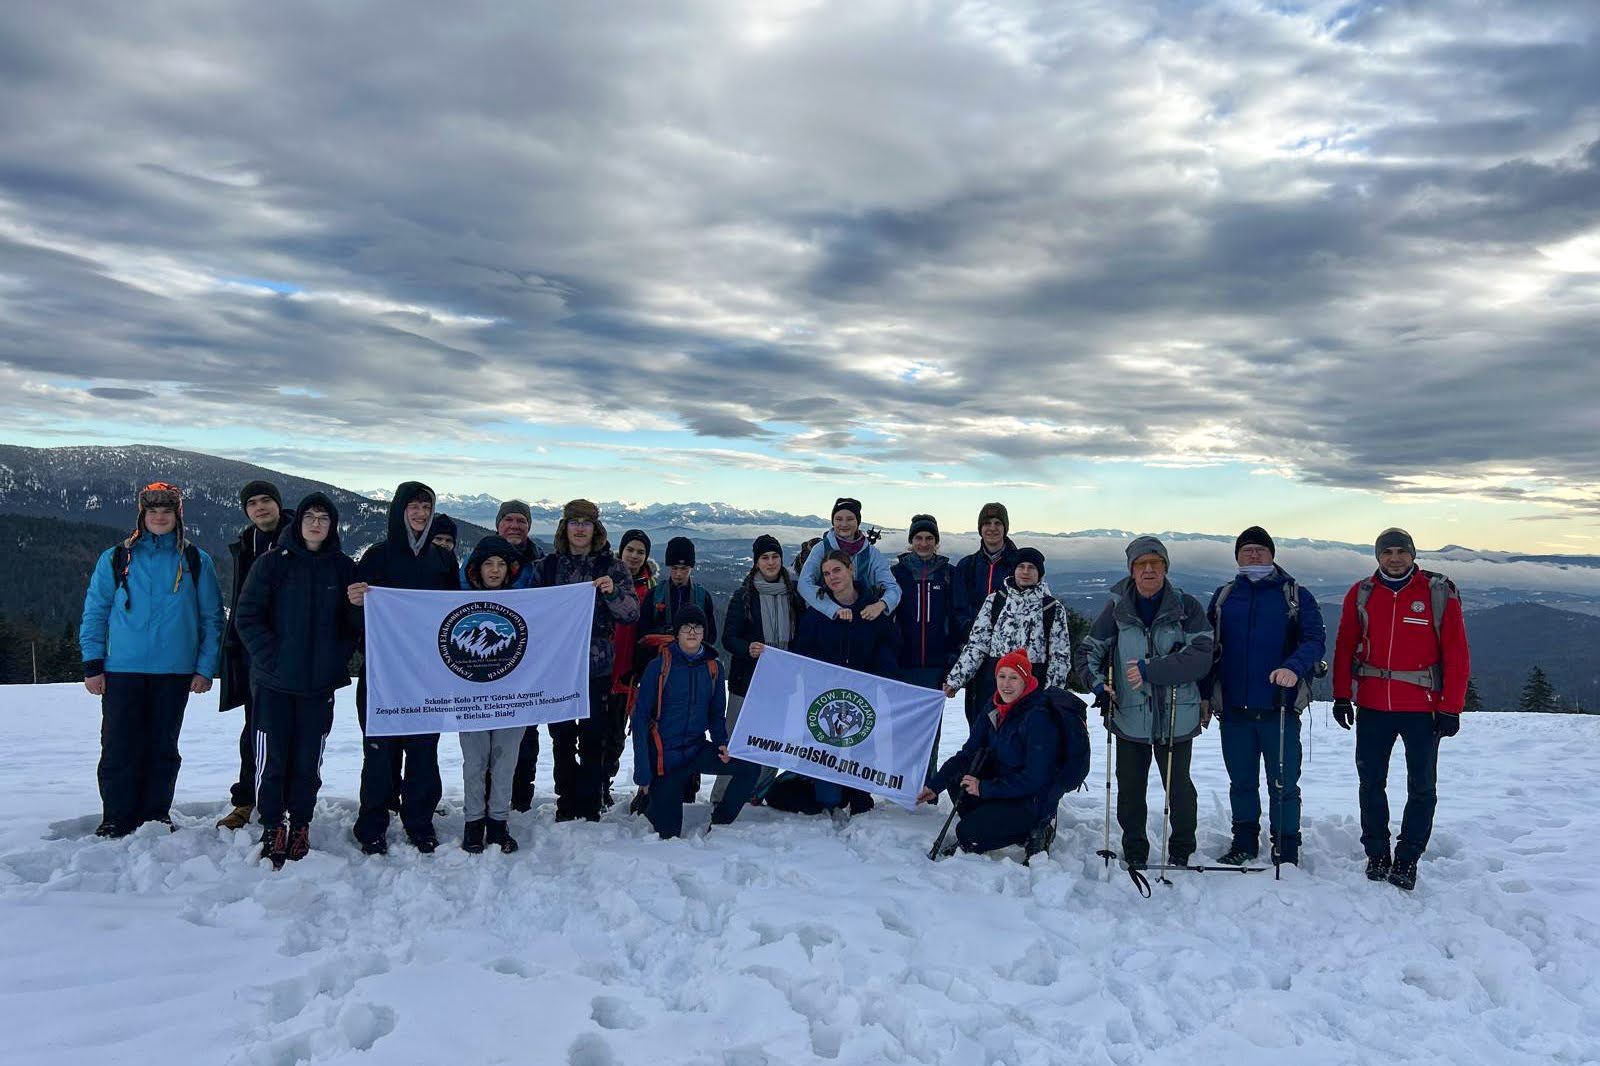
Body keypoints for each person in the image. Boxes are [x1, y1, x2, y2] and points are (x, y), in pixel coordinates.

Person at [80, 482, 225, 837]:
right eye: (153, 511)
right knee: (118, 746)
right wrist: (93, 665)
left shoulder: (195, 560)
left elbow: (212, 618)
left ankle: (155, 814)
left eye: (167, 511)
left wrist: (205, 668)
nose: (160, 517)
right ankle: (116, 815)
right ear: (142, 516)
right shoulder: (117, 558)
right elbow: (95, 612)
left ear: (178, 516)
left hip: (174, 671)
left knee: (162, 747)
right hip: (122, 669)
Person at [1332, 528, 1470, 891]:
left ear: (1413, 555)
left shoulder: (1437, 593)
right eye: (1387, 552)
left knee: (1422, 786)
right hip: (1373, 704)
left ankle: (1408, 858)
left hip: (1422, 707)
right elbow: (1345, 645)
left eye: (1401, 552)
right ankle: (1377, 854)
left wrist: (1452, 706)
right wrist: (1342, 695)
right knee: (1371, 782)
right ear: (1378, 556)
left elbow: (1456, 653)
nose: (1395, 559)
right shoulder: (1362, 593)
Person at [1072, 535, 1213, 869]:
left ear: (1165, 568)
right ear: (1132, 570)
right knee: (1130, 789)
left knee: (1179, 788)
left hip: (1177, 713)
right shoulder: (1117, 608)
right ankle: (1134, 849)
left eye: (1156, 563)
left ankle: (1182, 848)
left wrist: (1152, 670)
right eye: (1141, 564)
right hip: (1129, 713)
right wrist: (1097, 686)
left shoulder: (1186, 607)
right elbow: (1088, 652)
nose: (1149, 569)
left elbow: (1202, 655)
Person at [233, 493, 358, 865]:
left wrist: (337, 654)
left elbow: (352, 627)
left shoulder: (343, 567)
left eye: (324, 518)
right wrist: (272, 659)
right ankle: (273, 825)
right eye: (310, 517)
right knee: (271, 759)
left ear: (332, 526)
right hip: (273, 683)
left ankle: (300, 823)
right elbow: (247, 616)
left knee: (308, 761)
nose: (316, 524)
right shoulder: (273, 563)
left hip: (319, 686)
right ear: (299, 521)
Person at [345, 481, 459, 854]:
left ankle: (419, 822)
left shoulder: (442, 560)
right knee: (380, 752)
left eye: (427, 507)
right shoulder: (377, 556)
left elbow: (453, 614)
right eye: (413, 506)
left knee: (423, 752)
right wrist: (356, 604)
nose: (421, 513)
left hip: (428, 674)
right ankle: (372, 824)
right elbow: (353, 618)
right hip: (384, 673)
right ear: (399, 511)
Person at [1204, 526, 1326, 867]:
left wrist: (1293, 667)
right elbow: (1208, 649)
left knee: (1283, 783)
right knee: (1241, 781)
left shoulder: (1295, 595)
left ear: (1272, 554)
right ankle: (1244, 841)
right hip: (1234, 709)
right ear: (1237, 557)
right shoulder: (1225, 597)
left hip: (1279, 707)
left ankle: (1286, 845)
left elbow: (1314, 640)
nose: (1254, 554)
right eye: (1247, 550)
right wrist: (1204, 695)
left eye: (1260, 549)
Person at [769, 549, 900, 823]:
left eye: (837, 570)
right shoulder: (819, 612)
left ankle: (861, 797)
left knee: (863, 742)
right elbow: (803, 652)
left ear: (851, 569)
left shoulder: (872, 608)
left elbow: (889, 644)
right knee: (828, 752)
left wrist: (880, 673)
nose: (832, 577)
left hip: (864, 690)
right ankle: (829, 795)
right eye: (826, 574)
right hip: (826, 695)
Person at [918, 651, 1089, 855]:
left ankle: (1037, 829)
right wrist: (935, 785)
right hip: (1003, 785)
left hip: (1032, 799)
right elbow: (968, 753)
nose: (1006, 684)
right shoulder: (995, 706)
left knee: (967, 833)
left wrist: (985, 788)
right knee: (958, 776)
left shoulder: (1038, 717)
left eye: (1014, 678)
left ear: (1025, 680)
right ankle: (989, 823)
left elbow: (1035, 779)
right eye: (1002, 676)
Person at [536, 499, 640, 821]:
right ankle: (567, 801)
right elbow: (531, 612)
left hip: (596, 667)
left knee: (595, 737)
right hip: (558, 667)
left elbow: (631, 613)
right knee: (562, 738)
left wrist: (612, 593)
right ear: (564, 527)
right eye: (574, 522)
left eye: (586, 523)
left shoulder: (612, 567)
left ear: (596, 529)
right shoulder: (547, 567)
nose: (580, 528)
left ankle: (591, 800)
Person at [631, 606, 760, 839]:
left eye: (697, 627)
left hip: (695, 749)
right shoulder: (659, 667)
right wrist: (643, 773)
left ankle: (720, 822)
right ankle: (649, 801)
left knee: (750, 767)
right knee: (668, 833)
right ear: (677, 633)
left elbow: (716, 714)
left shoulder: (713, 667)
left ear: (704, 632)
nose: (692, 632)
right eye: (686, 627)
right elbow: (639, 720)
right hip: (665, 758)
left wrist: (721, 742)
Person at [217, 479, 292, 831]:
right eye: (252, 503)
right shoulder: (246, 544)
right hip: (253, 654)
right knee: (255, 731)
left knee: (295, 732)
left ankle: (288, 801)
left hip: (293, 653)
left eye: (266, 500)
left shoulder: (299, 538)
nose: (260, 507)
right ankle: (247, 799)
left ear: (278, 503)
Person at [713, 534, 805, 803]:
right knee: (736, 739)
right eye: (765, 557)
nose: (771, 562)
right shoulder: (744, 596)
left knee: (772, 740)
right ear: (756, 562)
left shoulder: (794, 595)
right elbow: (728, 638)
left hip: (782, 682)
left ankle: (758, 792)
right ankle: (723, 796)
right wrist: (747, 648)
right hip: (746, 681)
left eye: (775, 556)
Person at [456, 536, 529, 854]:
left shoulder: (526, 603)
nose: (495, 570)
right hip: (470, 697)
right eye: (488, 564)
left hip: (513, 697)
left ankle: (498, 823)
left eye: (501, 564)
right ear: (477, 568)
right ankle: (473, 823)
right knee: (474, 763)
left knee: (505, 763)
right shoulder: (456, 603)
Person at [943, 547, 1071, 726]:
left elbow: (1060, 658)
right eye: (1021, 567)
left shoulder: (1051, 608)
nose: (1025, 572)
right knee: (990, 738)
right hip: (995, 684)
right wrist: (955, 680)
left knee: (1027, 738)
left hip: (1033, 687)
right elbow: (977, 645)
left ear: (1040, 573)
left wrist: (1051, 696)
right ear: (1013, 570)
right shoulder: (995, 601)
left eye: (1031, 568)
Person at [890, 515, 958, 782]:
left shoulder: (948, 574)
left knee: (931, 729)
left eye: (930, 538)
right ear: (911, 541)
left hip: (935, 665)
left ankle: (926, 785)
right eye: (918, 538)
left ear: (936, 541)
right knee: (903, 727)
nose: (924, 543)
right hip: (903, 663)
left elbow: (956, 618)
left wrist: (952, 660)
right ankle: (900, 781)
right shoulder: (897, 574)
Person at [602, 529, 657, 804]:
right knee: (593, 733)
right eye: (630, 550)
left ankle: (604, 783)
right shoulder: (606, 579)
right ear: (621, 551)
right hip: (600, 668)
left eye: (640, 552)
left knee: (615, 734)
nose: (634, 556)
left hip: (629, 674)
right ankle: (590, 784)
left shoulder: (651, 588)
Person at [953, 502, 1020, 725]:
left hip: (1011, 658)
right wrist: (975, 636)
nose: (992, 528)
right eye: (987, 523)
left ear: (1005, 527)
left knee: (1013, 722)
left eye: (998, 523)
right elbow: (958, 608)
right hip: (977, 658)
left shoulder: (1019, 565)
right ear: (980, 528)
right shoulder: (967, 566)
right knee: (979, 721)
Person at [795, 497, 901, 621]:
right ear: (833, 522)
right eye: (839, 519)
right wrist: (833, 609)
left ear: (858, 522)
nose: (844, 524)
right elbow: (804, 584)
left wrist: (881, 604)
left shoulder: (871, 553)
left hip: (862, 616)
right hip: (825, 617)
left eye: (850, 519)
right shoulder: (821, 549)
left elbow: (893, 587)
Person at [643, 537, 719, 646]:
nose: (678, 574)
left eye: (684, 568)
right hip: (659, 653)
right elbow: (643, 631)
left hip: (691, 653)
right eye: (674, 568)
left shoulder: (702, 597)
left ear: (691, 567)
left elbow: (710, 635)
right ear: (669, 566)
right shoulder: (655, 594)